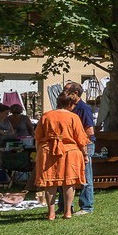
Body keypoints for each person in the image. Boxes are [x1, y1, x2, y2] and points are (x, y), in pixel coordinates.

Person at [34, 90, 89, 220]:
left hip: (48, 151)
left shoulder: (46, 116)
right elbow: (81, 138)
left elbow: (38, 136)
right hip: (69, 152)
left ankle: (51, 213)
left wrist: (38, 153)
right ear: (70, 104)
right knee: (69, 182)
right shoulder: (73, 117)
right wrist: (85, 154)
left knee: (50, 183)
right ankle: (67, 212)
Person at [64, 82, 97, 215]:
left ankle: (87, 207)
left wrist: (84, 147)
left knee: (85, 176)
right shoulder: (68, 108)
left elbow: (90, 131)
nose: (63, 92)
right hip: (72, 146)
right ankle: (66, 206)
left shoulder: (83, 108)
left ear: (75, 93)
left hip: (85, 145)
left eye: (66, 90)